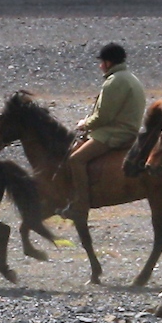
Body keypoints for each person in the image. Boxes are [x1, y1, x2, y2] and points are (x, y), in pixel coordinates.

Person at [62, 42, 146, 222]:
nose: (100, 66)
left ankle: (80, 207)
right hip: (128, 130)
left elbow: (103, 117)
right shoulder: (131, 78)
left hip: (115, 133)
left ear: (108, 63)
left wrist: (84, 124)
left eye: (102, 62)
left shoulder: (114, 82)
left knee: (75, 159)